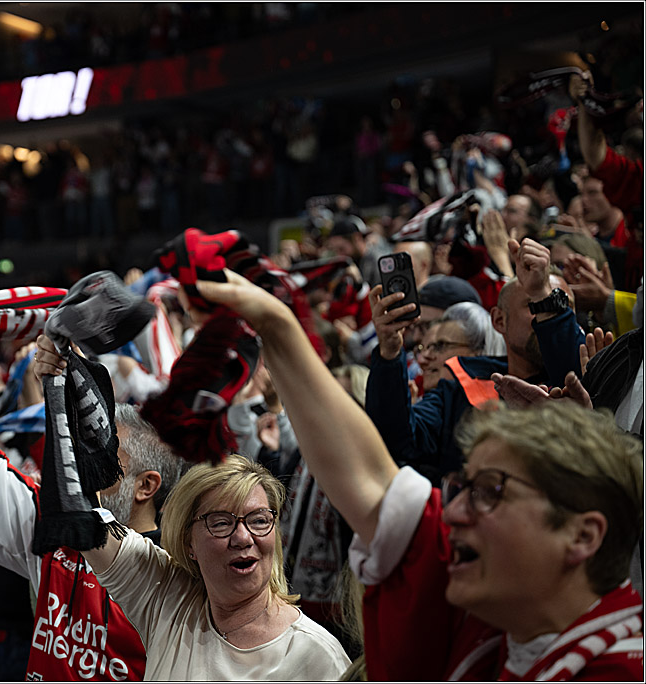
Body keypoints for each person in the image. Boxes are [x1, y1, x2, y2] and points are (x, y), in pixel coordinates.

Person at [191, 267, 644, 681]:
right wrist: (275, 325)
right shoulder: (499, 602)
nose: (456, 510)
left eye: (490, 491)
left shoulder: (618, 667)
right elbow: (367, 480)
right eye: (462, 487)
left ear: (582, 535)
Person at [33, 347, 350, 680]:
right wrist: (68, 381)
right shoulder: (166, 597)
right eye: (221, 523)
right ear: (188, 543)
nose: (243, 538)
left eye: (259, 521)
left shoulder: (317, 658)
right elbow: (79, 507)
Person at [0, 319, 188, 681]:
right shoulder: (58, 531)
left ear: (146, 486)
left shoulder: (181, 575)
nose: (82, 464)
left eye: (105, 457)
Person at [365, 237, 585, 480]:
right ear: (500, 321)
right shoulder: (459, 390)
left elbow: (570, 372)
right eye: (535, 303)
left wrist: (544, 298)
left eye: (563, 308)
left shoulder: (590, 381)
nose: (549, 313)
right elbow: (397, 439)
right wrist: (388, 353)